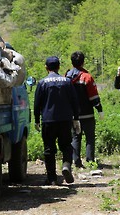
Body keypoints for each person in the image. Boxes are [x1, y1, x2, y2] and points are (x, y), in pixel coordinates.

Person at [34, 56, 80, 185]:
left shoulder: (42, 83)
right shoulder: (67, 81)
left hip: (48, 120)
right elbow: (74, 102)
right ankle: (66, 165)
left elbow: (37, 103)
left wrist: (37, 119)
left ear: (46, 68)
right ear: (59, 67)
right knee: (66, 145)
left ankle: (52, 178)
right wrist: (76, 118)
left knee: (49, 149)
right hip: (65, 120)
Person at [65, 51, 104, 168]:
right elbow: (94, 96)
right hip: (87, 114)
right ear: (83, 62)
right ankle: (90, 160)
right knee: (90, 137)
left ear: (72, 62)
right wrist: (99, 109)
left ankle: (76, 162)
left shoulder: (66, 77)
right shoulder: (86, 77)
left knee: (75, 137)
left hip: (73, 115)